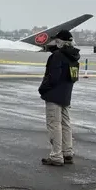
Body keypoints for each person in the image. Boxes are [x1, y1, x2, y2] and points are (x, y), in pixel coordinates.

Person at [38, 29, 81, 166]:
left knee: (54, 125)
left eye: (57, 40)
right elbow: (73, 78)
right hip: (66, 95)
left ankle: (56, 155)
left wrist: (42, 89)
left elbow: (53, 77)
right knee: (65, 124)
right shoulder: (74, 56)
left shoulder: (57, 56)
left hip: (54, 95)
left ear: (60, 41)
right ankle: (67, 153)